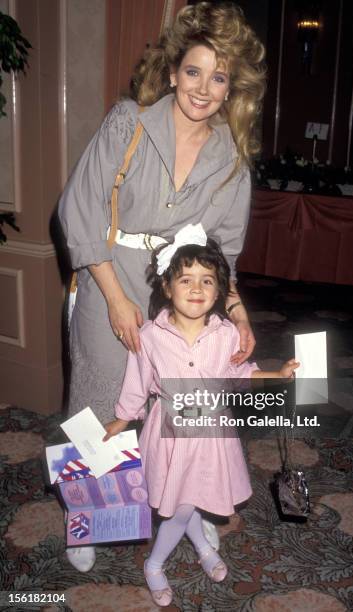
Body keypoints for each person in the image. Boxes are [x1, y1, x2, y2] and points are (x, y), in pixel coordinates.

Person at [58, 2, 266, 571]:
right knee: (101, 398)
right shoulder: (129, 122)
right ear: (174, 72)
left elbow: (223, 256)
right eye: (194, 71)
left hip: (180, 290)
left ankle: (189, 505)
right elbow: (79, 210)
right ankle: (88, 517)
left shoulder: (232, 161)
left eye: (218, 77)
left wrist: (239, 313)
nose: (203, 88)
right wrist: (118, 300)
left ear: (230, 89)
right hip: (111, 274)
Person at [103, 224, 299, 607]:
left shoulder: (226, 334)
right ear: (166, 286)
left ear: (219, 290)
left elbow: (240, 373)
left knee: (186, 498)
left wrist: (277, 374)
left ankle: (200, 549)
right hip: (169, 433)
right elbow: (137, 383)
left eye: (207, 281)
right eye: (186, 279)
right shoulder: (150, 336)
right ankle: (155, 564)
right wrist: (122, 420)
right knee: (182, 501)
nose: (196, 289)